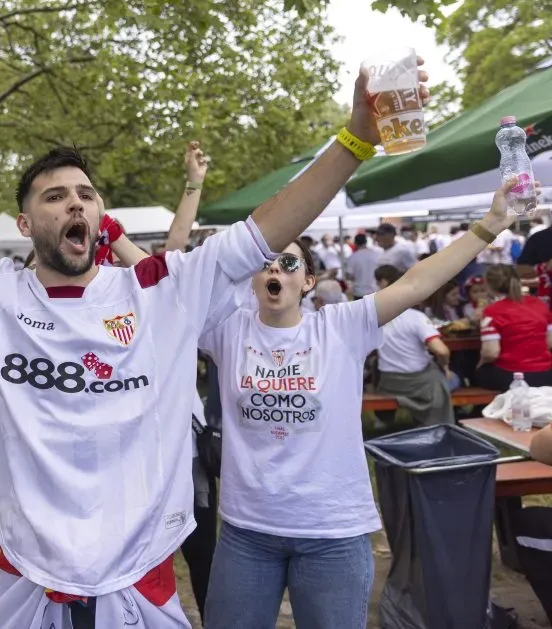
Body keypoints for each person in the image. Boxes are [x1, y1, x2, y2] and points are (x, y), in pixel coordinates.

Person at [0, 62, 423, 625]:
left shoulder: (162, 290)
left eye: (86, 194)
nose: (76, 203)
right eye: (56, 194)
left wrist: (355, 139)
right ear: (25, 219)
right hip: (27, 582)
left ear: (100, 218)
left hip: (140, 584)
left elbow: (271, 225)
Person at [197, 179, 522, 629]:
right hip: (247, 534)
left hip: (332, 534)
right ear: (253, 276)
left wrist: (491, 224)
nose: (276, 270)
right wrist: (118, 234)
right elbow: (169, 286)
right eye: (265, 262)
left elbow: (417, 282)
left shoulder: (341, 326)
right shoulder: (226, 330)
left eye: (288, 262)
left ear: (308, 280)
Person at [374, 264, 454, 424]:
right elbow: (441, 350)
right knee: (454, 380)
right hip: (418, 382)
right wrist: (445, 366)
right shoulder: (416, 318)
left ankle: (386, 420)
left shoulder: (376, 316)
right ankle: (440, 424)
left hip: (389, 382)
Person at [476, 264, 552, 391]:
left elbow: (491, 352)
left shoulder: (492, 311)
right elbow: (550, 342)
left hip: (511, 374)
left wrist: (480, 363)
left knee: (476, 373)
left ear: (489, 286)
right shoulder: (540, 304)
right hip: (545, 374)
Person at [345, 233, 381, 299]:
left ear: (355, 243)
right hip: (375, 290)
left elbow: (349, 275)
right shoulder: (376, 254)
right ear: (366, 242)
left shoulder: (353, 257)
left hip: (360, 292)